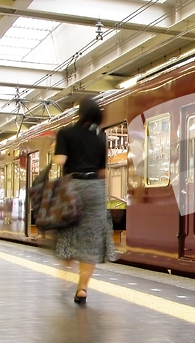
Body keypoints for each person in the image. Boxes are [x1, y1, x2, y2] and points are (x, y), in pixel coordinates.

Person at [53, 96, 115, 305]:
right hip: (95, 189)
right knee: (91, 240)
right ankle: (82, 289)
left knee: (67, 232)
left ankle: (66, 272)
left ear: (79, 113)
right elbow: (103, 172)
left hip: (73, 186)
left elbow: (60, 160)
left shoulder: (66, 133)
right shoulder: (99, 138)